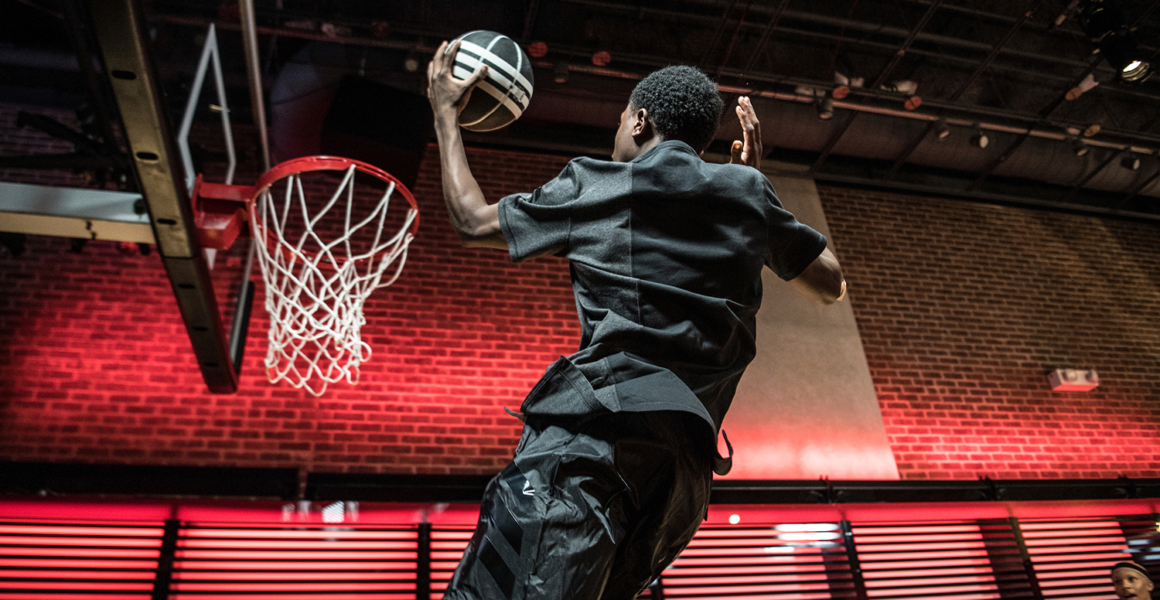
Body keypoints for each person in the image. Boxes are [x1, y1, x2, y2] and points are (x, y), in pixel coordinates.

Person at [427, 40, 844, 600]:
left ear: (641, 121)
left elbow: (471, 221)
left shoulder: (597, 183)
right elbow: (830, 284)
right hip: (678, 489)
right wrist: (753, 197)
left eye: (622, 120)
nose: (618, 132)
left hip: (592, 448)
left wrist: (444, 112)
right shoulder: (747, 192)